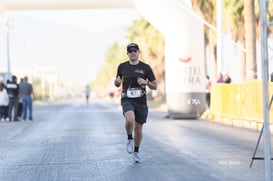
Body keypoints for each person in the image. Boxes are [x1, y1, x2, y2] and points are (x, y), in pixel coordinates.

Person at [114, 43, 157, 163]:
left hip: (141, 101)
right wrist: (116, 82)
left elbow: (155, 86)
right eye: (130, 50)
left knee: (138, 129)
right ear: (127, 53)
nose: (133, 52)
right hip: (127, 98)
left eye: (135, 50)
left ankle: (136, 152)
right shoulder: (122, 66)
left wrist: (146, 82)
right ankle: (129, 138)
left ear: (139, 52)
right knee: (129, 120)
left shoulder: (146, 68)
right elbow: (117, 82)